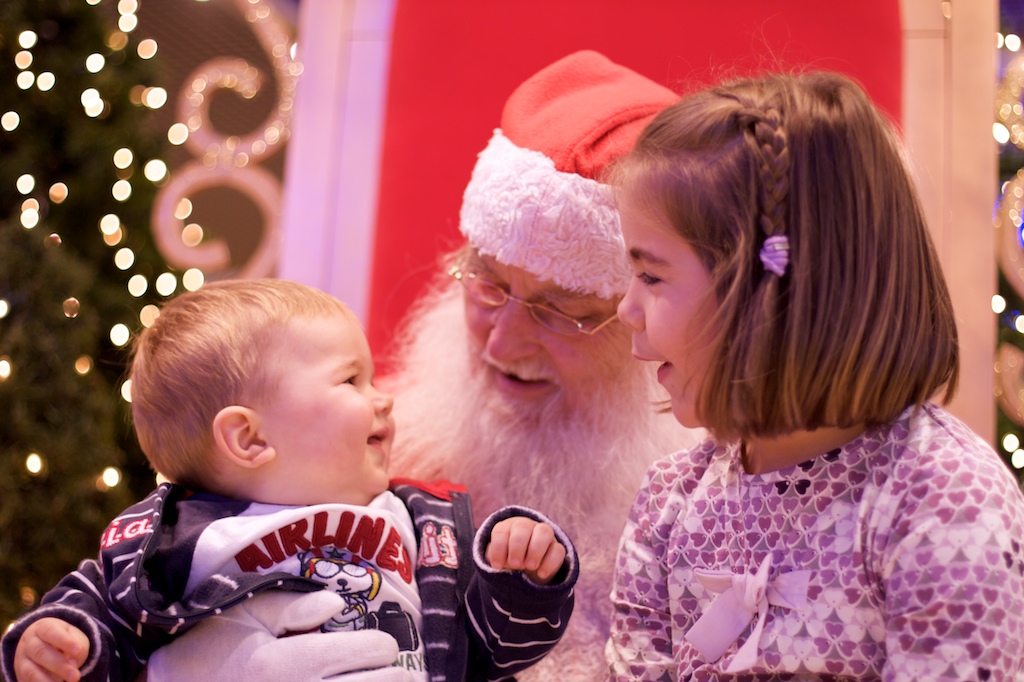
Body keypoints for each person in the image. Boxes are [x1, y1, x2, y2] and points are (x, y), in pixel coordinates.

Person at [606, 70, 1024, 678]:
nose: (624, 308)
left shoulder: (943, 505)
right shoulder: (671, 502)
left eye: (651, 276)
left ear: (769, 294)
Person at [2, 279, 579, 682]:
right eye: (351, 380)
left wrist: (520, 580)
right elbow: (98, 609)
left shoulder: (419, 526)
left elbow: (493, 649)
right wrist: (57, 641)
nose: (383, 398)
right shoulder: (173, 543)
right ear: (250, 440)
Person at [381, 50, 703, 681]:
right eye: (488, 285)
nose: (502, 345)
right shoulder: (370, 452)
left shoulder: (717, 499)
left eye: (561, 312)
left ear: (646, 318)